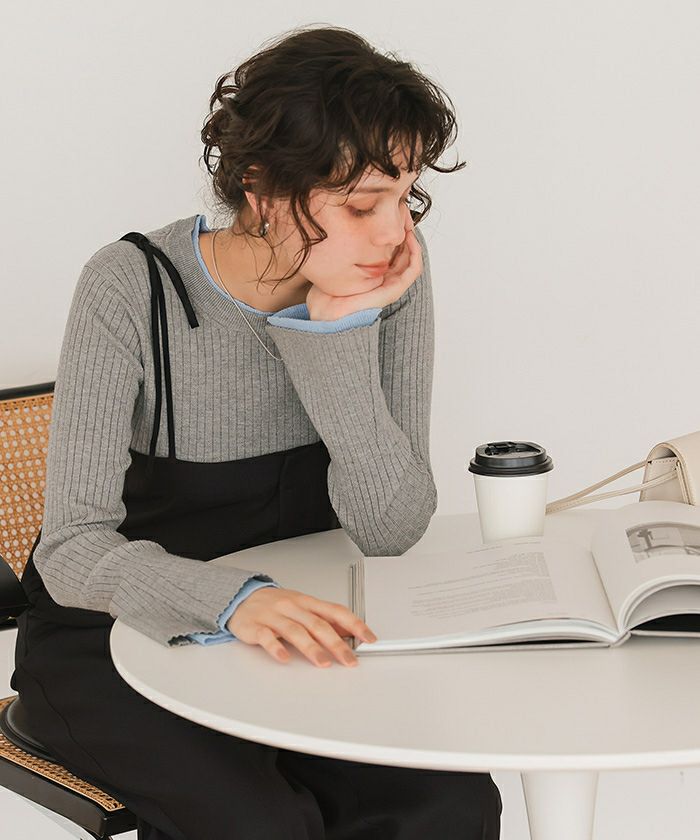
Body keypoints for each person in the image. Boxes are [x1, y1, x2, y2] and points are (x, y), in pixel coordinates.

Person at [11, 23, 502, 840]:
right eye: (361, 203)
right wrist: (234, 601)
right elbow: (70, 550)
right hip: (111, 640)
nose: (393, 232)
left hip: (297, 634)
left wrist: (336, 336)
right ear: (263, 188)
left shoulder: (389, 284)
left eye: (405, 195)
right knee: (262, 825)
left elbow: (389, 528)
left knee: (447, 806)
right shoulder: (133, 287)